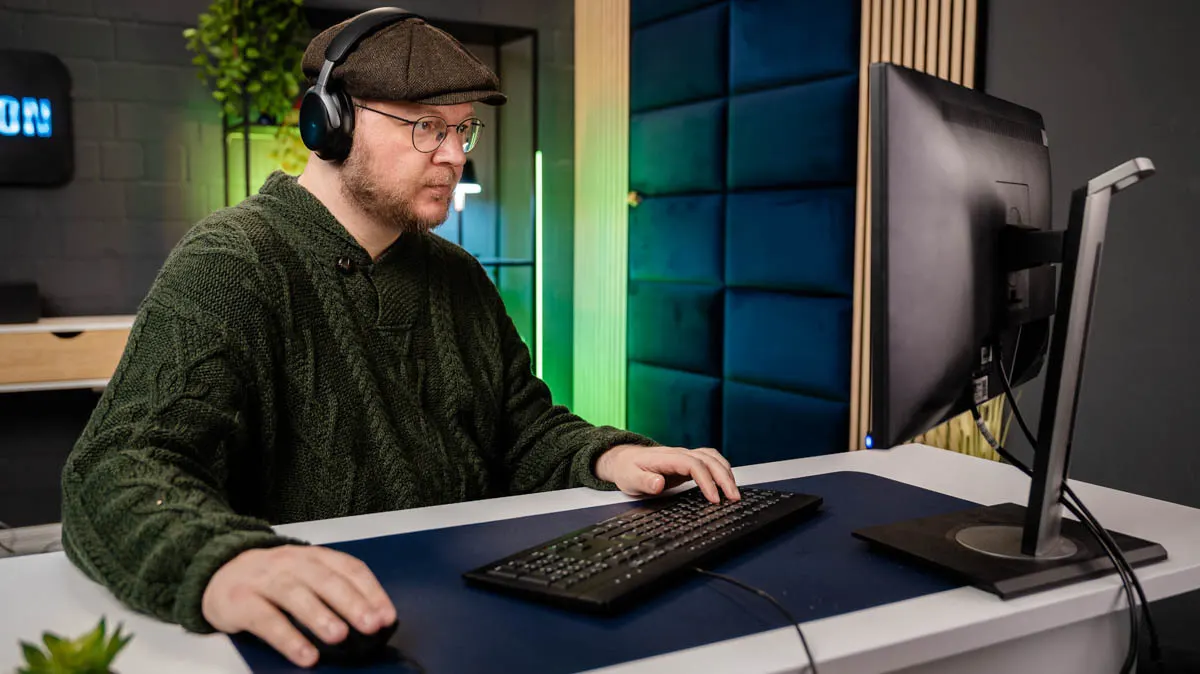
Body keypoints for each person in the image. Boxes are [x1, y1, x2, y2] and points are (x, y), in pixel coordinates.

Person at [59, 9, 740, 669]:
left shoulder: (458, 274)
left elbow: (521, 430)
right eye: (424, 127)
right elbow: (119, 467)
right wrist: (227, 562)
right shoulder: (234, 262)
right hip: (322, 638)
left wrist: (609, 456)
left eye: (462, 129)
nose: (454, 156)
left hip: (473, 615)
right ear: (329, 123)